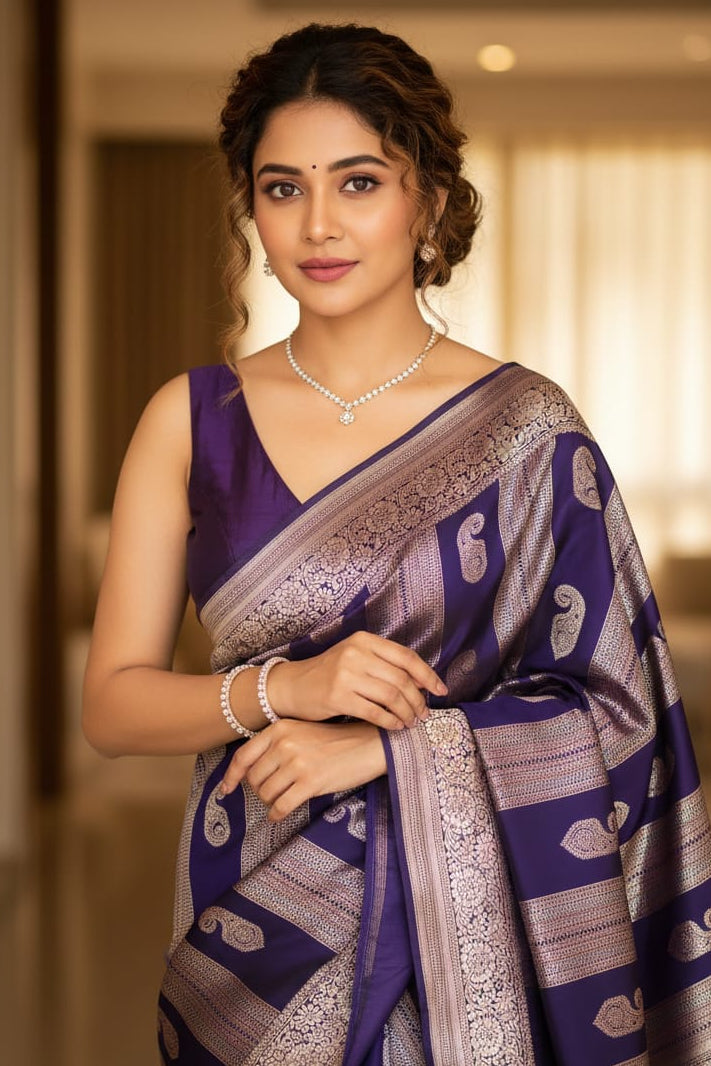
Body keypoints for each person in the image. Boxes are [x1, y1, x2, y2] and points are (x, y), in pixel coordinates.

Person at [82, 22, 711, 1066]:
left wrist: (388, 749)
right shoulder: (191, 420)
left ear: (426, 198)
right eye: (283, 188)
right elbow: (112, 704)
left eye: (359, 182)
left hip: (471, 951)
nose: (318, 224)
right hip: (254, 934)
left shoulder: (527, 428)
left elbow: (622, 711)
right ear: (250, 205)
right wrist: (292, 688)